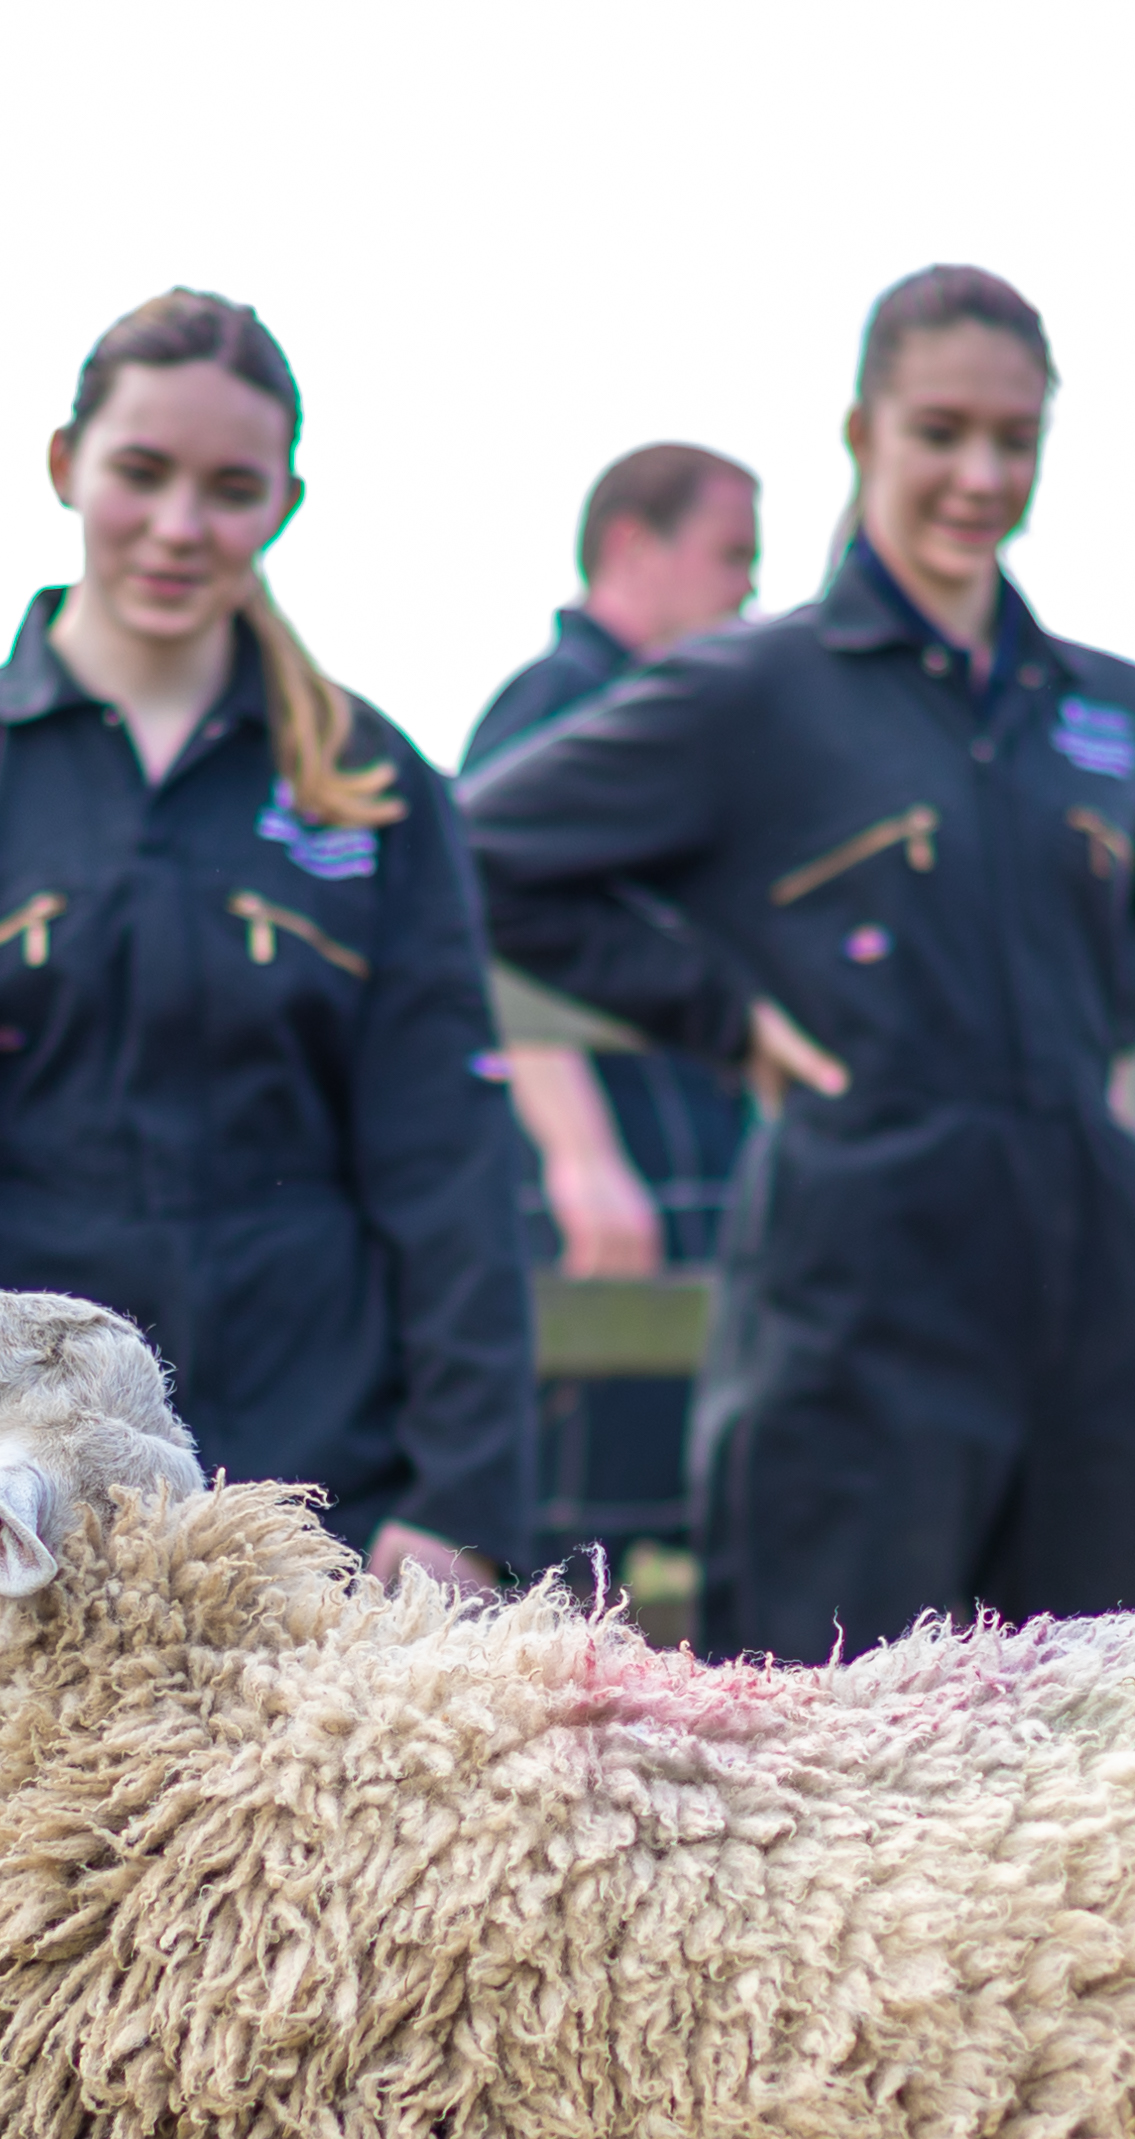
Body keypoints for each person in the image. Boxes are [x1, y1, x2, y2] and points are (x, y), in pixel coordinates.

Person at [463, 265, 1135, 1663]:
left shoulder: (1109, 709)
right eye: (938, 432)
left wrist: (1078, 1023)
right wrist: (715, 1013)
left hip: (1096, 1275)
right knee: (838, 1732)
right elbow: (477, 854)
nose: (978, 473)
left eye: (1014, 441)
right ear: (860, 433)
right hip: (857, 1275)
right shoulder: (756, 691)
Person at [0, 288, 533, 1608]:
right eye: (139, 474)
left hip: (323, 1480)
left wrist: (461, 1498)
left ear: (282, 504)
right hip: (24, 1492)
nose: (176, 526)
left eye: (228, 488)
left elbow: (448, 1166)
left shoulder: (373, 786)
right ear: (65, 466)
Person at [464, 443, 765, 1584]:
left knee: (662, 1502)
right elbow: (478, 919)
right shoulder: (554, 705)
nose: (748, 589)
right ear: (635, 544)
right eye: (731, 554)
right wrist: (581, 1156)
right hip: (599, 1185)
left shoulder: (675, 715)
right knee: (569, 1539)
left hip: (686, 1166)